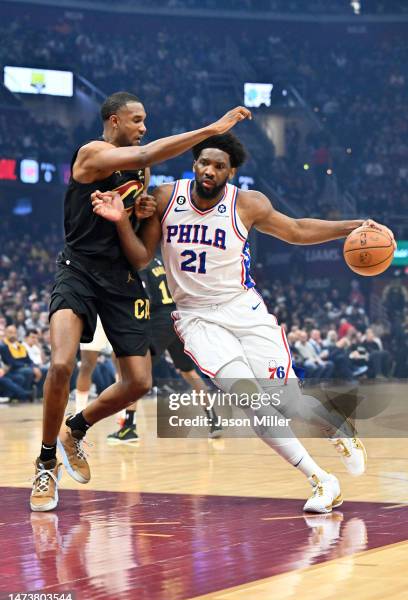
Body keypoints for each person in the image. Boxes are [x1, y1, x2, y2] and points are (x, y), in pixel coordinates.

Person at [92, 132, 395, 513]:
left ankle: (339, 428)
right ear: (194, 164)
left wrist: (348, 227)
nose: (209, 170)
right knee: (250, 400)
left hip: (243, 311)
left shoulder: (247, 204)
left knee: (289, 403)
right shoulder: (168, 198)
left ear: (230, 172)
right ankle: (321, 480)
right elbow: (139, 257)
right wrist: (129, 220)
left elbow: (296, 230)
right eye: (204, 162)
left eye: (219, 166)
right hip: (197, 318)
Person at [30, 91, 251, 513]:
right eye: (136, 120)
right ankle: (45, 462)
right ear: (114, 121)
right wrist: (212, 129)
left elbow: (141, 257)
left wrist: (140, 217)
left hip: (121, 280)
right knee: (61, 364)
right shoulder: (91, 154)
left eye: (145, 120)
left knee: (139, 382)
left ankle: (75, 429)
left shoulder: (142, 173)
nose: (143, 127)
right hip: (78, 271)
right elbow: (148, 149)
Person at [107, 256, 222, 443]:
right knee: (188, 372)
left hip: (159, 320)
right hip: (178, 318)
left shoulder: (140, 264)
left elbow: (143, 297)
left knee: (135, 374)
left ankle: (129, 428)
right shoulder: (163, 263)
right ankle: (214, 420)